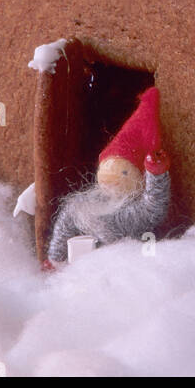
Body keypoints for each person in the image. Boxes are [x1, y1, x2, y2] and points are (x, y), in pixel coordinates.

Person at [45, 87, 170, 266]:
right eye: (105, 171)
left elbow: (154, 207)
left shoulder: (133, 213)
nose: (111, 179)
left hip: (127, 266)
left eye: (123, 173)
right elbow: (64, 227)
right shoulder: (84, 205)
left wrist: (155, 173)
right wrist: (55, 258)